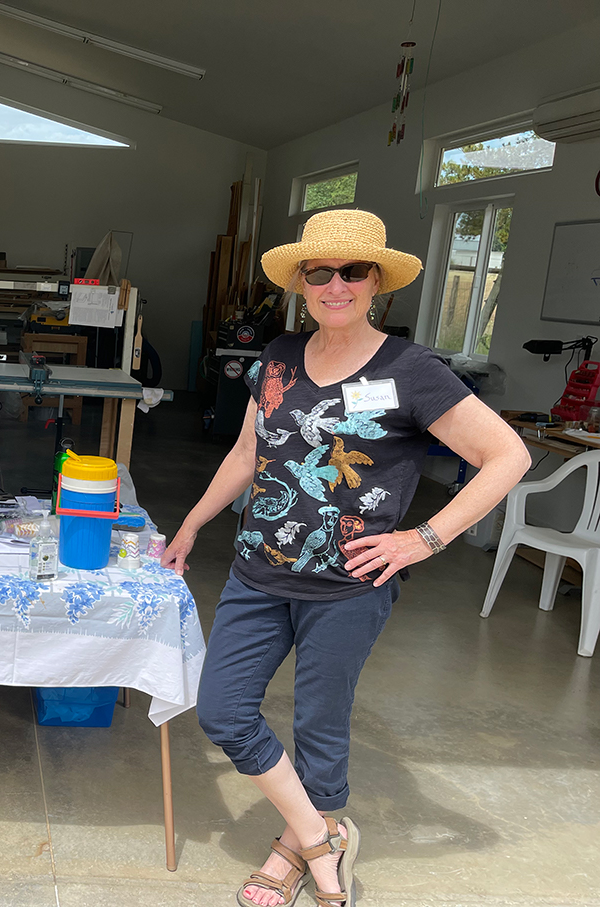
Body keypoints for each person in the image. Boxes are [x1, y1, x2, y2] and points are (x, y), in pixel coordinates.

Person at [162, 209, 530, 907]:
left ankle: (293, 849)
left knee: (319, 723)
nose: (337, 285)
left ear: (376, 283)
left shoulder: (411, 369)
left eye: (353, 271)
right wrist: (192, 523)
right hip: (256, 573)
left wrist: (424, 537)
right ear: (302, 282)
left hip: (348, 586)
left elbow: (507, 455)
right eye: (320, 271)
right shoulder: (277, 356)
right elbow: (248, 451)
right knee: (223, 711)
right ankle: (320, 836)